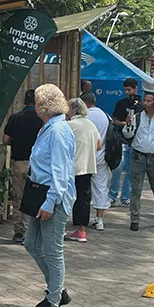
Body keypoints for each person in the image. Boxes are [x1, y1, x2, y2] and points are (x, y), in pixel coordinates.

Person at [23, 84, 76, 307]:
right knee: (31, 243)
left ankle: (53, 300)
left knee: (53, 251)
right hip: (41, 194)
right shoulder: (50, 128)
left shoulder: (57, 131)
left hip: (51, 197)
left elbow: (60, 171)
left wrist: (50, 201)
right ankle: (57, 288)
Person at [123, 90, 154, 231]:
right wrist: (128, 124)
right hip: (138, 156)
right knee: (136, 189)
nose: (145, 102)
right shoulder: (137, 117)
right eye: (145, 100)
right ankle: (134, 219)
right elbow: (127, 133)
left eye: (149, 100)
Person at [3, 89, 43, 243]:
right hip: (37, 165)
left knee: (18, 198)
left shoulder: (15, 118)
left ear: (24, 101)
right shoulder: (42, 120)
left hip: (19, 162)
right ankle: (35, 231)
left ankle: (19, 232)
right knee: (37, 197)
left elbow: (6, 140)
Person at [65, 98, 101, 243]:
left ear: (73, 110)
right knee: (84, 198)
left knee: (67, 197)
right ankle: (82, 230)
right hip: (88, 166)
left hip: (72, 167)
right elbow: (99, 145)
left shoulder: (69, 125)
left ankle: (61, 228)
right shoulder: (90, 124)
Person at [82, 92, 111, 231]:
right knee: (100, 187)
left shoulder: (84, 117)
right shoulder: (104, 115)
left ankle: (80, 218)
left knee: (81, 189)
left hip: (85, 157)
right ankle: (99, 219)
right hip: (101, 156)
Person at [109, 78, 141, 206]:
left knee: (130, 170)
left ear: (136, 88)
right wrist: (124, 123)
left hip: (134, 141)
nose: (127, 92)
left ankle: (125, 197)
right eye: (126, 90)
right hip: (121, 140)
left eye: (129, 89)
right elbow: (114, 120)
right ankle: (112, 195)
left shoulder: (141, 106)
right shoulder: (120, 103)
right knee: (117, 168)